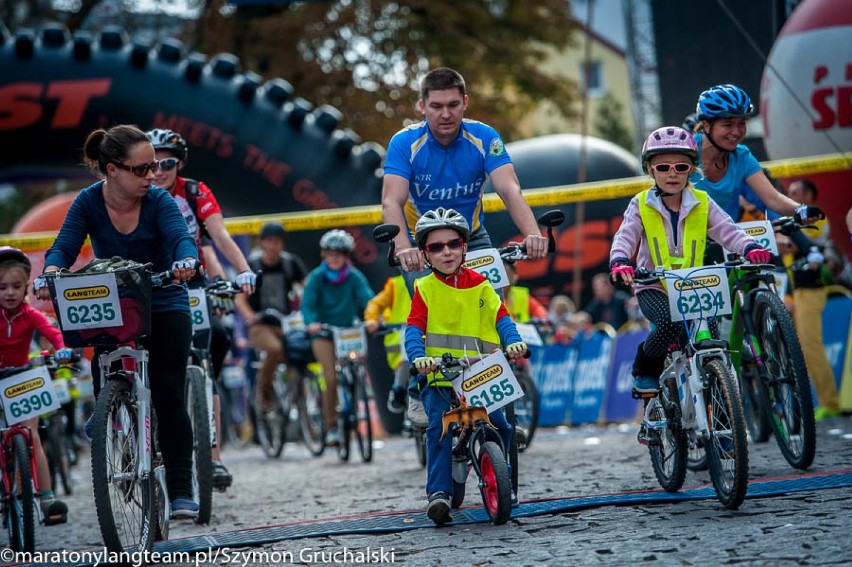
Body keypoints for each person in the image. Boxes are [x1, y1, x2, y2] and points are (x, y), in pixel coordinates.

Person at [34, 125, 201, 519]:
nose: (152, 176)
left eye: (156, 167)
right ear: (112, 170)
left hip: (163, 296)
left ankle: (180, 487)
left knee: (169, 394)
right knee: (102, 352)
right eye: (141, 169)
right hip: (117, 300)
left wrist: (185, 260)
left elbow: (181, 238)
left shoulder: (159, 201)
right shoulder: (88, 202)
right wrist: (51, 271)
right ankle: (111, 410)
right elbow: (65, 244)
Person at [381, 67, 547, 422]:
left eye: (453, 105)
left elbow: (509, 189)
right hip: (422, 243)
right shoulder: (404, 142)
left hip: (471, 237)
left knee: (494, 307)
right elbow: (391, 202)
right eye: (436, 106)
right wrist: (402, 247)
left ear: (465, 103)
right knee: (427, 310)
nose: (445, 114)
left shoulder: (484, 136)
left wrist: (533, 234)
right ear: (421, 106)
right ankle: (416, 386)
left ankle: (501, 408)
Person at [609, 126, 770, 399]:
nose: (672, 173)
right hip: (654, 287)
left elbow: (728, 231)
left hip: (695, 287)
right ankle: (644, 368)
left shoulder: (703, 202)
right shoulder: (640, 204)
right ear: (650, 170)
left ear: (691, 170)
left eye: (681, 166)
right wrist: (620, 261)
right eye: (663, 167)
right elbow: (625, 236)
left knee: (711, 335)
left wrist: (750, 246)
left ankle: (722, 403)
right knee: (669, 324)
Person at [147, 127, 257, 490]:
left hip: (188, 282)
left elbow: (219, 237)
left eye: (167, 162)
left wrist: (242, 270)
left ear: (179, 165)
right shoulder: (138, 191)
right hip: (147, 282)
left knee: (213, 349)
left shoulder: (195, 191)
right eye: (152, 162)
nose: (159, 170)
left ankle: (214, 455)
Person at [404, 207, 528, 526]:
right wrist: (419, 356)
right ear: (425, 255)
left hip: (480, 372)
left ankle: (507, 485)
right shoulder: (424, 289)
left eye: (453, 244)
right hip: (441, 377)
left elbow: (502, 319)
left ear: (464, 247)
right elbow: (414, 329)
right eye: (435, 247)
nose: (446, 252)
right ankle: (439, 494)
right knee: (438, 429)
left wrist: (512, 341)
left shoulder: (483, 285)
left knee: (502, 425)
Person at [0, 247, 72, 525]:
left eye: (16, 287)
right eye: (2, 287)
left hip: (23, 375)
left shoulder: (30, 314)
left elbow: (54, 334)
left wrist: (63, 349)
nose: (9, 293)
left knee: (32, 435)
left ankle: (47, 498)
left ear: (26, 287)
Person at [690, 84, 823, 225]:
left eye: (742, 123)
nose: (736, 131)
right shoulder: (685, 151)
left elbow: (774, 199)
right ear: (706, 125)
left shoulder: (742, 156)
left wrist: (800, 210)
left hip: (724, 238)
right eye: (728, 125)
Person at [300, 229, 375, 447]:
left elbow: (368, 299)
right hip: (323, 333)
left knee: (356, 367)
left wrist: (372, 316)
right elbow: (307, 306)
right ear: (324, 255)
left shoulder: (354, 277)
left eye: (339, 254)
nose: (334, 258)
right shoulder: (315, 278)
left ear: (346, 256)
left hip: (347, 332)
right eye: (330, 253)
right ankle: (331, 426)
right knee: (331, 377)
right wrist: (311, 322)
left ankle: (354, 397)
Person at [235, 222, 308, 412]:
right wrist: (250, 317)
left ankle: (298, 403)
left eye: (276, 241)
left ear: (282, 243)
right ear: (262, 243)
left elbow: (307, 289)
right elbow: (240, 298)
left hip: (286, 323)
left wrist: (307, 310)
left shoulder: (290, 263)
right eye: (268, 241)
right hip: (260, 325)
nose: (272, 245)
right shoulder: (252, 265)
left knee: (298, 355)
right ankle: (264, 391)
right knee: (274, 349)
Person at [786, 178, 840, 421]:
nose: (792, 197)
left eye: (796, 192)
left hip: (810, 290)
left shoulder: (816, 220)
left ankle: (830, 402)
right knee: (806, 351)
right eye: (789, 193)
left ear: (809, 196)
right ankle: (825, 401)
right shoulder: (794, 220)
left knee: (812, 348)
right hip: (797, 291)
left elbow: (795, 244)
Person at [363, 274, 413, 415]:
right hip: (399, 340)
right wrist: (371, 319)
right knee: (406, 360)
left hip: (426, 334)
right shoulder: (396, 284)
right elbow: (375, 303)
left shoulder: (432, 276)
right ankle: (398, 388)